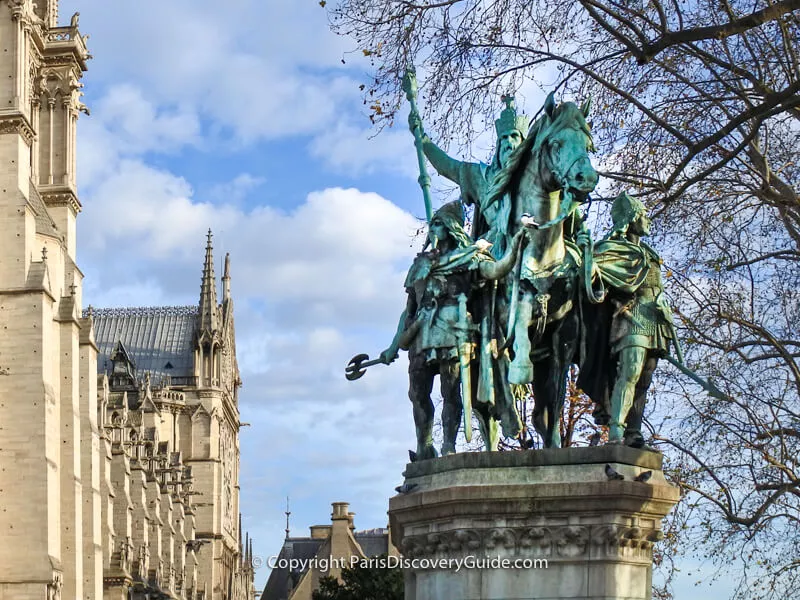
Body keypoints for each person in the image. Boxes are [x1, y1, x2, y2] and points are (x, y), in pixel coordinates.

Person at [379, 201, 526, 460]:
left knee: (450, 391)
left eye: (438, 223)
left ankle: (448, 444)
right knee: (417, 393)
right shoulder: (420, 265)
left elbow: (496, 271)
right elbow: (409, 308)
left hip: (454, 330)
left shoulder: (470, 257)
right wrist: (392, 346)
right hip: (421, 331)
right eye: (432, 223)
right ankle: (425, 444)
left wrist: (516, 244)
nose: (433, 228)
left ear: (450, 227)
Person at [578, 192, 678, 447]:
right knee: (630, 371)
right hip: (629, 315)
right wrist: (589, 262)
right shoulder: (612, 249)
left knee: (645, 376)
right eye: (643, 215)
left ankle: (633, 432)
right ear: (631, 218)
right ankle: (615, 430)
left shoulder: (648, 252)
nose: (648, 220)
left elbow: (656, 287)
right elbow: (594, 279)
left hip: (655, 318)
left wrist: (664, 304)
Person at [410, 96, 531, 258]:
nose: (508, 142)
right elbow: (447, 166)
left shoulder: (535, 175)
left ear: (523, 143)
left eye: (514, 136)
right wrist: (423, 140)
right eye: (503, 138)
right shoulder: (480, 176)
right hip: (493, 247)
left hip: (532, 237)